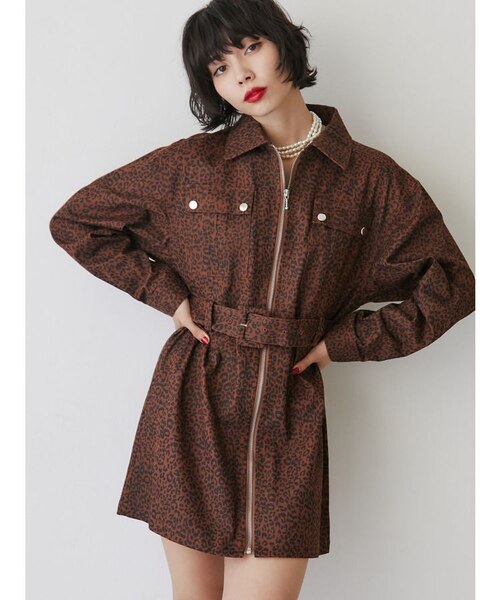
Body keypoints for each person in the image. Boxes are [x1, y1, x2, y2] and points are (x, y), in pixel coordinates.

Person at [48, 0, 475, 599]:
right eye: (220, 68)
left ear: (285, 45)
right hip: (193, 398)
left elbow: (451, 284)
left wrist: (344, 343)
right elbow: (78, 222)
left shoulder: (371, 180)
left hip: (288, 407)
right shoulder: (193, 165)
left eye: (251, 48)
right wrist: (167, 296)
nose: (242, 74)